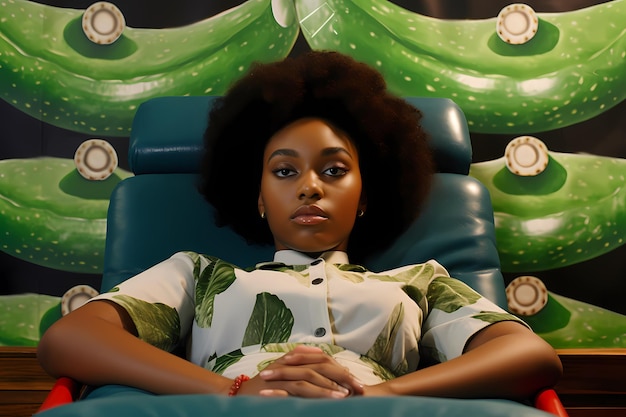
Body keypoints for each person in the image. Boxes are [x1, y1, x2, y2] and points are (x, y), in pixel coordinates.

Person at [38, 51, 562, 400]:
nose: (309, 187)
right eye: (285, 171)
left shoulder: (420, 281)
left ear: (364, 198)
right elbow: (71, 338)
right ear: (260, 199)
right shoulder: (198, 274)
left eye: (334, 170)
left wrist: (380, 397)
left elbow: (528, 354)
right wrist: (234, 391)